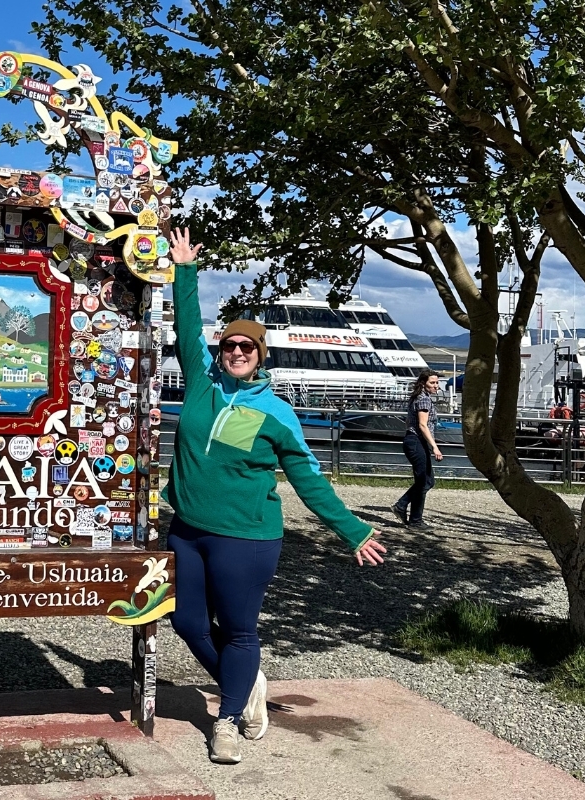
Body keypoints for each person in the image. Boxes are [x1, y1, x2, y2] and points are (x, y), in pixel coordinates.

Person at [164, 228, 387, 765]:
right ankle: (247, 684)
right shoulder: (201, 384)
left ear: (260, 356)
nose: (236, 352)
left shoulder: (278, 413)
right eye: (230, 346)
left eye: (247, 347)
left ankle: (226, 719)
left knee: (239, 630)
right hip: (188, 530)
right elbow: (186, 328)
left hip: (247, 537)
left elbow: (309, 478)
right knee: (187, 621)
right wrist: (185, 271)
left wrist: (352, 530)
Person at [391, 369, 443, 529]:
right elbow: (422, 425)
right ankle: (414, 519)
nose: (436, 386)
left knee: (427, 481)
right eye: (432, 383)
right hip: (416, 442)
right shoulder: (424, 400)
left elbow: (409, 421)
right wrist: (435, 447)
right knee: (423, 481)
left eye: (437, 382)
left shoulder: (419, 397)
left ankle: (403, 507)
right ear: (423, 383)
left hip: (415, 441)